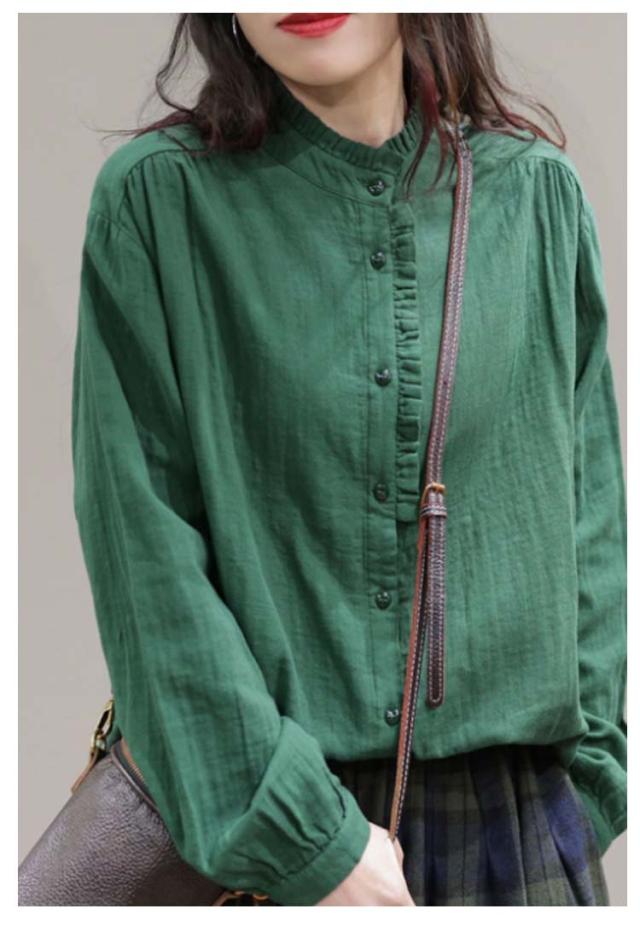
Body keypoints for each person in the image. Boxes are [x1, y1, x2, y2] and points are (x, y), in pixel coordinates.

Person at [71, 12, 626, 905]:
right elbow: (144, 554)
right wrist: (305, 841)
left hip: (512, 837)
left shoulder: (536, 199)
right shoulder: (158, 205)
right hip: (264, 836)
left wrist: (582, 791)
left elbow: (588, 512)